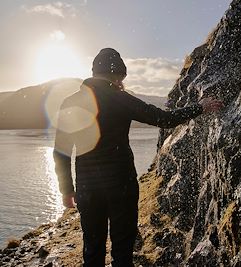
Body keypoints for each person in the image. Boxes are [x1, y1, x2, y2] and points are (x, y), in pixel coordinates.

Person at [53, 48, 223, 267]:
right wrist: (199, 107)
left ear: (94, 72)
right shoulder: (121, 98)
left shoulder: (70, 102)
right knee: (122, 251)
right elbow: (163, 119)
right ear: (118, 75)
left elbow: (61, 152)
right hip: (121, 186)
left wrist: (66, 189)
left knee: (92, 249)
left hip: (88, 189)